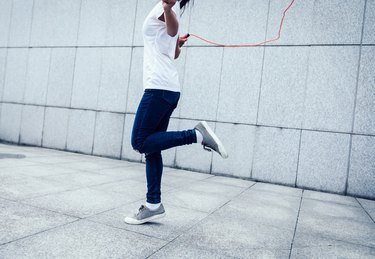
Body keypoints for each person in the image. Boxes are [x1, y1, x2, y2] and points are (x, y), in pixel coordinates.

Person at [124, 0, 228, 225]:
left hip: (158, 88)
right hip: (168, 89)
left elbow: (171, 28)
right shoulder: (170, 10)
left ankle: (196, 135)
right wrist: (176, 45)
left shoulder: (168, 8)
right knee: (152, 149)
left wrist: (168, 9)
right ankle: (153, 205)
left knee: (140, 142)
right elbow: (172, 48)